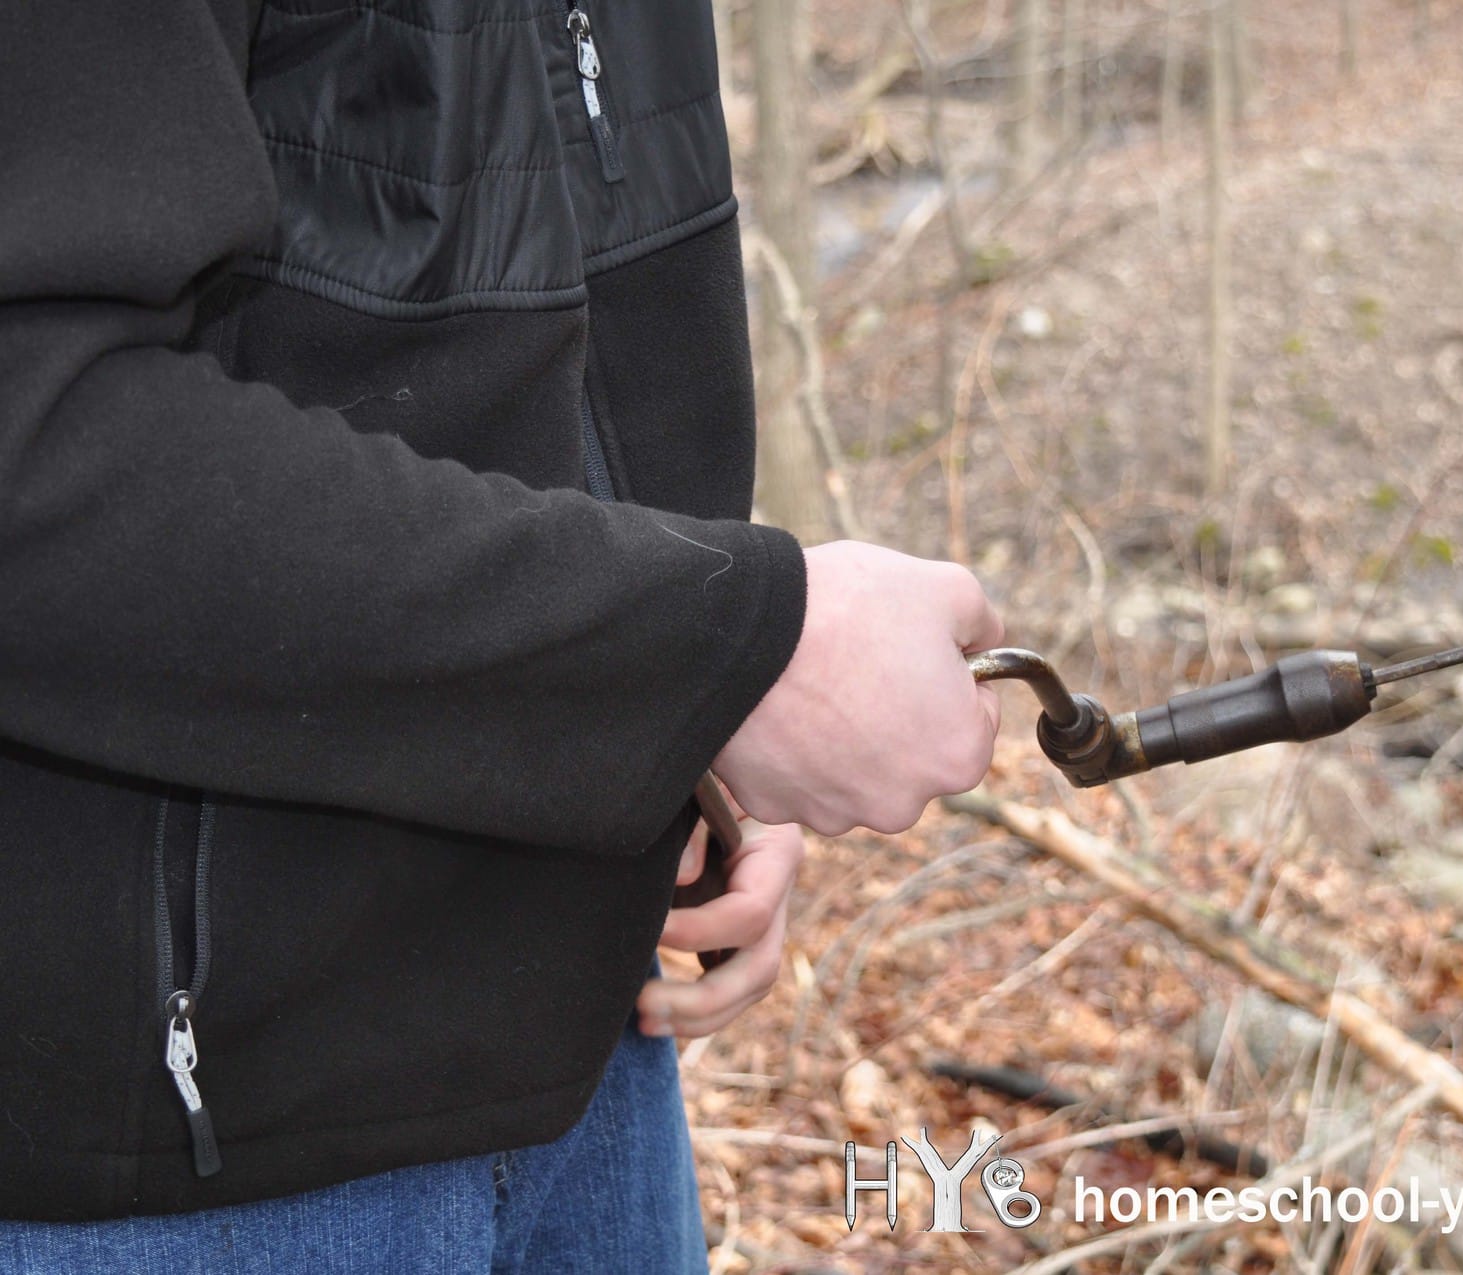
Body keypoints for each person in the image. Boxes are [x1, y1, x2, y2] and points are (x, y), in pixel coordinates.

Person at [0, 2, 1002, 1268]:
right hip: (182, 1163)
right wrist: (703, 655)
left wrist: (690, 712)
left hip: (587, 1055)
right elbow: (32, 447)